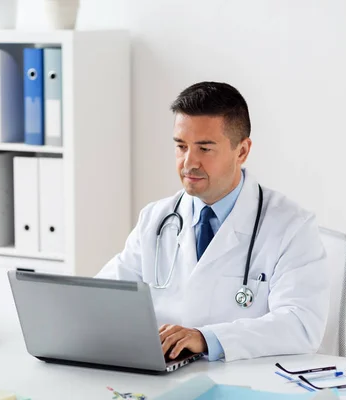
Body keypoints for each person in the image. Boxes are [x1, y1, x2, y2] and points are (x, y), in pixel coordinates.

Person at [96, 82, 329, 362]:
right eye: (181, 146)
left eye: (204, 149)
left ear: (241, 151)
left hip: (247, 383)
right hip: (163, 378)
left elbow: (301, 325)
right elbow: (104, 298)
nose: (188, 162)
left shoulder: (291, 226)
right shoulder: (156, 219)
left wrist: (207, 338)